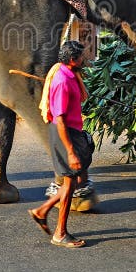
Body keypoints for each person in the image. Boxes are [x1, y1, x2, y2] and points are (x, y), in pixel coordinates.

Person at [28, 40, 94, 248]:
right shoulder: (63, 81)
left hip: (71, 132)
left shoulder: (68, 74)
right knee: (70, 183)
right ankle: (60, 233)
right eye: (82, 57)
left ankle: (42, 211)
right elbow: (60, 120)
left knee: (72, 182)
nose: (84, 60)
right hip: (65, 134)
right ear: (73, 60)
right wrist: (71, 152)